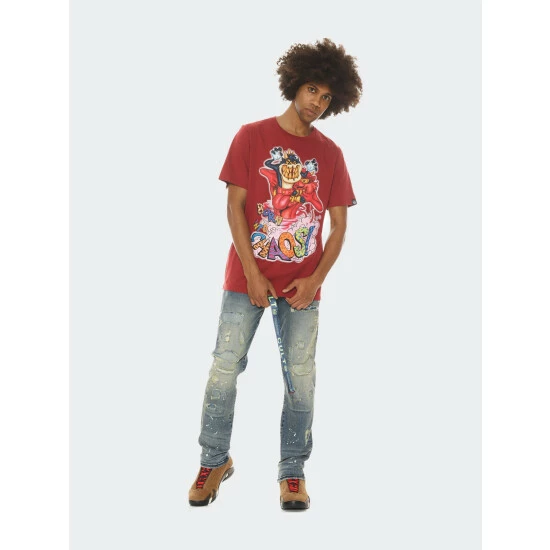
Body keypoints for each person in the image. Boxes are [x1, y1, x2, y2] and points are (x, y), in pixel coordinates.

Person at [188, 37, 362, 510]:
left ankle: (292, 471)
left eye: (327, 97)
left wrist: (315, 281)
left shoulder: (331, 154)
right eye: (312, 90)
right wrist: (251, 273)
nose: (317, 102)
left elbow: (340, 227)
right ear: (295, 83)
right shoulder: (251, 135)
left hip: (302, 287)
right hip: (245, 280)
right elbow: (235, 207)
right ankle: (213, 461)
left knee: (300, 379)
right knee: (224, 369)